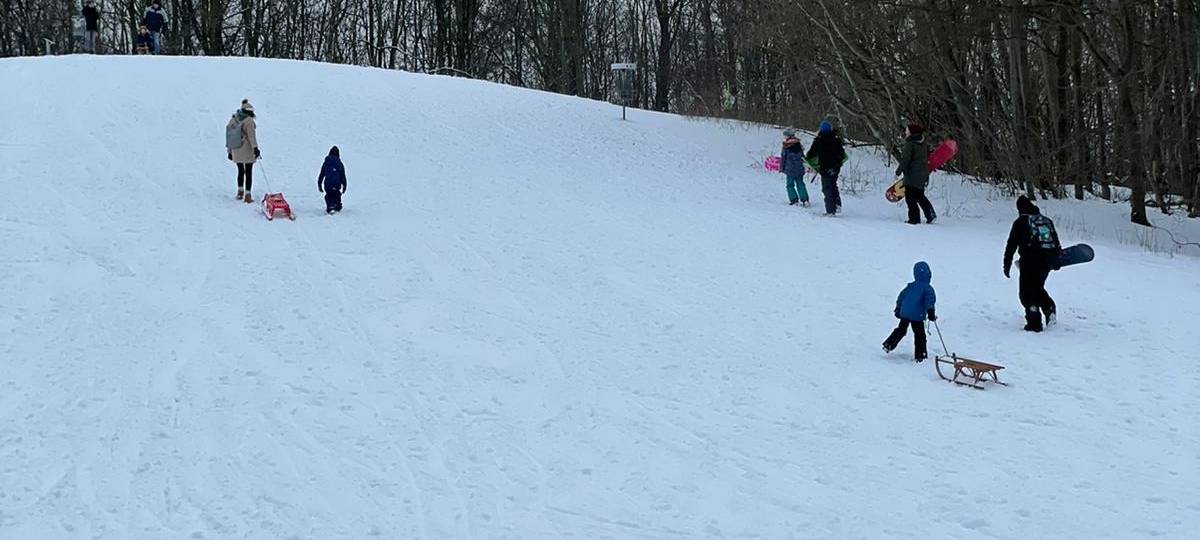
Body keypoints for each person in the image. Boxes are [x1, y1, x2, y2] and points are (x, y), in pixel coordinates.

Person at [1003, 195, 1061, 332]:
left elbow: (1011, 244)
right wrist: (1056, 259)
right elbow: (1056, 241)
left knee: (1026, 292)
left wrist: (1007, 264)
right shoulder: (1046, 221)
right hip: (1046, 261)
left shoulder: (1020, 222)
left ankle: (1034, 323)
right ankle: (1049, 308)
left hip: (1029, 261)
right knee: (1037, 287)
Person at [882, 261, 937, 362]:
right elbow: (930, 300)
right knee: (919, 335)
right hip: (917, 315)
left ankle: (888, 344)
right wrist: (931, 312)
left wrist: (898, 307)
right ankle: (921, 355)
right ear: (929, 274)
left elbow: (901, 296)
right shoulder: (927, 288)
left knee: (901, 330)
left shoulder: (911, 286)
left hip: (905, 313)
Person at [896, 124, 936, 224]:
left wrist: (898, 172)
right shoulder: (923, 143)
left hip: (912, 176)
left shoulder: (910, 144)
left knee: (910, 198)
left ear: (911, 133)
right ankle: (930, 214)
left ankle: (914, 219)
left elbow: (905, 160)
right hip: (922, 175)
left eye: (907, 130)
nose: (905, 132)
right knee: (920, 196)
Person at [806, 120, 847, 215]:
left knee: (827, 188)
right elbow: (841, 154)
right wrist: (838, 163)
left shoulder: (819, 140)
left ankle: (830, 210)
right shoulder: (836, 140)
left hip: (825, 168)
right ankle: (837, 204)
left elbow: (811, 153)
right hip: (835, 168)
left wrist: (808, 157)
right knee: (833, 185)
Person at [225, 99, 260, 203]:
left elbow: (229, 136)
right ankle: (248, 195)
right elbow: (251, 137)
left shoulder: (233, 119)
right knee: (248, 171)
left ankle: (240, 192)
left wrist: (229, 151)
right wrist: (255, 149)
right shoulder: (249, 121)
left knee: (240, 170)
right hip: (247, 150)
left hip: (236, 149)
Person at [779, 129, 809, 206]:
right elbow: (802, 157)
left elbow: (783, 157)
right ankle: (805, 199)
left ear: (788, 136)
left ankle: (794, 199)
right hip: (799, 168)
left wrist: (782, 168)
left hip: (790, 169)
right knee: (800, 184)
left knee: (790, 185)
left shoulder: (786, 145)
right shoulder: (798, 144)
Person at [317, 146, 347, 214]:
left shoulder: (326, 163)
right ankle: (337, 205)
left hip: (328, 183)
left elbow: (322, 174)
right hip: (337, 183)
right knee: (336, 193)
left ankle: (330, 206)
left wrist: (319, 184)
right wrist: (344, 185)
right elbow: (343, 176)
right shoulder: (340, 164)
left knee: (329, 194)